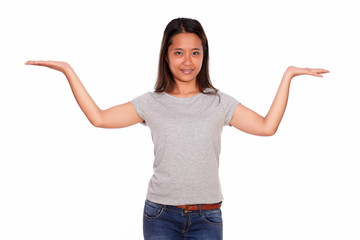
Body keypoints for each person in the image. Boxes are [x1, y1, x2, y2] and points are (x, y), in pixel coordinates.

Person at [25, 17, 329, 240]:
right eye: (179, 52)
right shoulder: (151, 102)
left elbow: (267, 126)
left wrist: (288, 76)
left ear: (204, 55)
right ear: (166, 55)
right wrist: (68, 70)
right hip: (160, 215)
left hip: (208, 217)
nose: (187, 61)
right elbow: (100, 118)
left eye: (195, 52)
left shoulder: (220, 102)